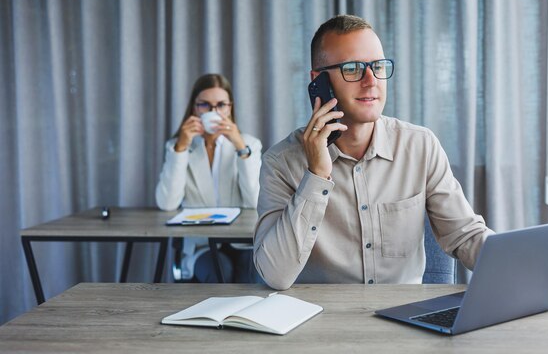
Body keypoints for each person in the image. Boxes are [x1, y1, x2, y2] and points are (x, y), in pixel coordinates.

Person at [254, 15, 495, 290]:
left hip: (405, 321)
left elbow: (466, 237)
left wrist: (524, 267)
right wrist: (316, 175)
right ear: (318, 81)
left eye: (378, 66)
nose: (371, 81)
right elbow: (274, 275)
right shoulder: (280, 163)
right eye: (353, 68)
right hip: (320, 325)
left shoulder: (420, 146)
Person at [156, 73, 262, 283]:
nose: (214, 112)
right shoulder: (178, 146)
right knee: (219, 270)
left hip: (243, 241)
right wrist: (181, 148)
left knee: (250, 272)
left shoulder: (249, 144)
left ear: (230, 108)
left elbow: (255, 202)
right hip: (200, 245)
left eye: (221, 105)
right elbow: (167, 203)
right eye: (204, 105)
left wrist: (241, 148)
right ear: (194, 108)